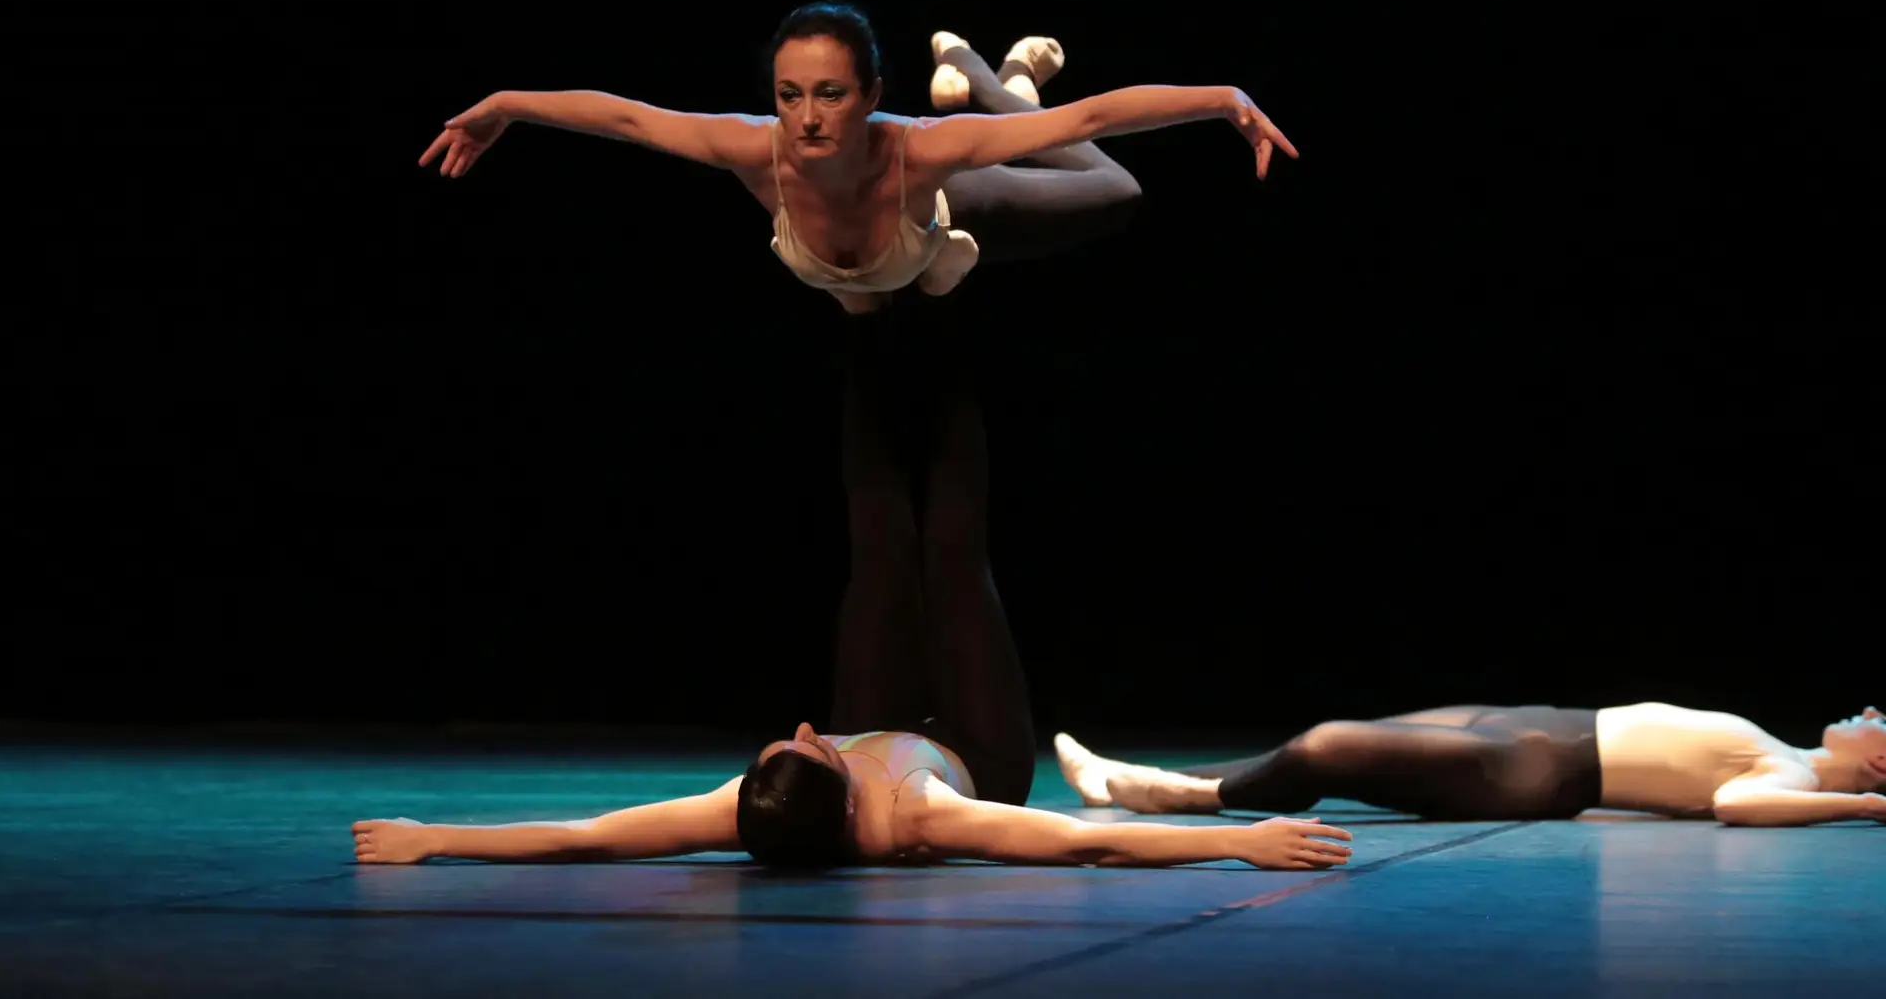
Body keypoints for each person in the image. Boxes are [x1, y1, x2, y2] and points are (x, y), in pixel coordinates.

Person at [352, 293, 1352, 871]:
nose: (801, 729)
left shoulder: (753, 806)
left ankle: (868, 301)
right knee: (948, 546)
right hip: (969, 750)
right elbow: (1079, 847)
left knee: (877, 540)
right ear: (843, 798)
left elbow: (591, 838)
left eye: (792, 744)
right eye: (808, 747)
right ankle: (951, 300)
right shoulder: (920, 814)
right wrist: (1239, 848)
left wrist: (431, 837)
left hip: (888, 727)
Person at [415, 2, 1298, 312]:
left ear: (872, 96)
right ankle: (997, 84)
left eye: (830, 94)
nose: (804, 118)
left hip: (945, 214)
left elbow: (1093, 115)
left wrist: (1224, 99)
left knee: (1113, 186)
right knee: (865, 302)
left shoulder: (921, 149)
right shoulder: (754, 153)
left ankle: (985, 76)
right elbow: (631, 120)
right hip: (862, 274)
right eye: (790, 95)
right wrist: (506, 107)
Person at [1051, 704, 1886, 825]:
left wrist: (1874, 811)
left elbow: (1740, 807)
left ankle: (1171, 796)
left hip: (1541, 772)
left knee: (1328, 747)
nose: (1872, 712)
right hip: (1544, 727)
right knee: (1357, 737)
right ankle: (1134, 772)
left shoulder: (1799, 779)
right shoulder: (1793, 750)